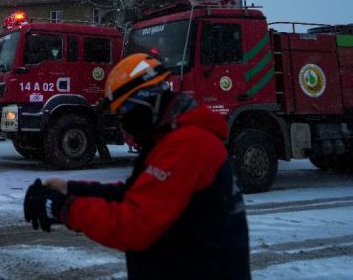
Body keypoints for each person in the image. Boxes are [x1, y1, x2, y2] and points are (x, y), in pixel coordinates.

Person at [23, 53, 250, 279]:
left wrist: (64, 208)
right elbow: (135, 194)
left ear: (146, 101)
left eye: (124, 113)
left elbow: (133, 225)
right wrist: (71, 189)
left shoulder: (187, 145)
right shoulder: (169, 140)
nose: (124, 123)